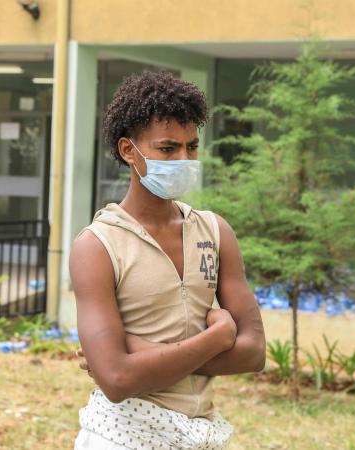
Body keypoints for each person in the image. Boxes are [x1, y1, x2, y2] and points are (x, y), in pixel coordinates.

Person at [69, 70, 266, 450]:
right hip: (122, 436)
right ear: (129, 151)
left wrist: (143, 354)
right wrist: (218, 337)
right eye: (167, 148)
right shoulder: (97, 246)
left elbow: (254, 352)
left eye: (191, 147)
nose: (183, 159)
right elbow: (117, 381)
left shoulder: (214, 231)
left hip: (202, 434)